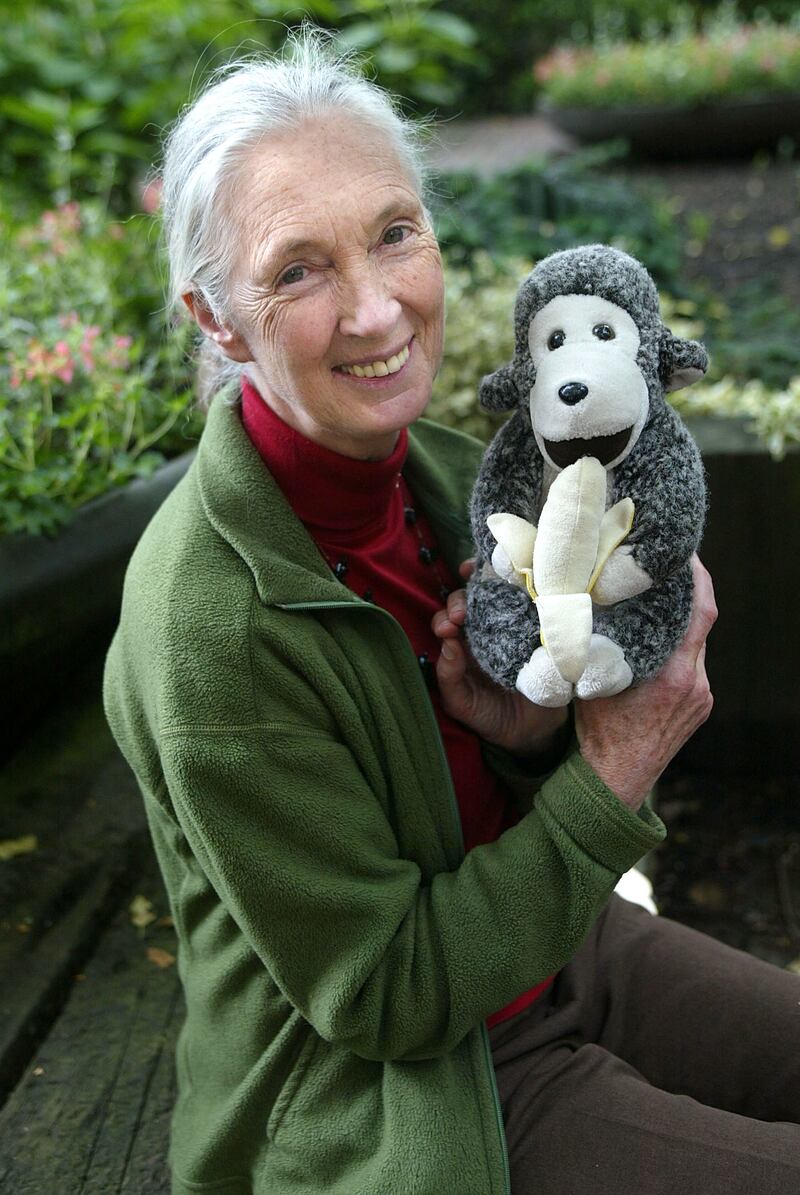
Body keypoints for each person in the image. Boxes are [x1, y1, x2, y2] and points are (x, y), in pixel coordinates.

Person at [103, 30, 800, 1195]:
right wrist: (609, 771)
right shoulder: (209, 628)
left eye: (392, 233)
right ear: (217, 319)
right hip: (402, 1084)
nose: (376, 312)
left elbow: (470, 807)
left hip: (551, 945)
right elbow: (382, 994)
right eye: (296, 270)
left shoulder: (438, 470)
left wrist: (521, 742)